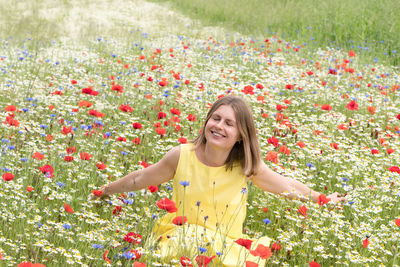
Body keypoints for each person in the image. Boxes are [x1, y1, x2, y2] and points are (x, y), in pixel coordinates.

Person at [93, 95, 346, 266]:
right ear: (206, 122)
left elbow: (287, 186)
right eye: (215, 118)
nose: (219, 126)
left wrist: (321, 199)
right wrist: (105, 191)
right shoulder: (181, 156)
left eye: (229, 123)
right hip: (182, 238)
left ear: (240, 135)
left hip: (225, 246)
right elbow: (140, 178)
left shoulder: (246, 166)